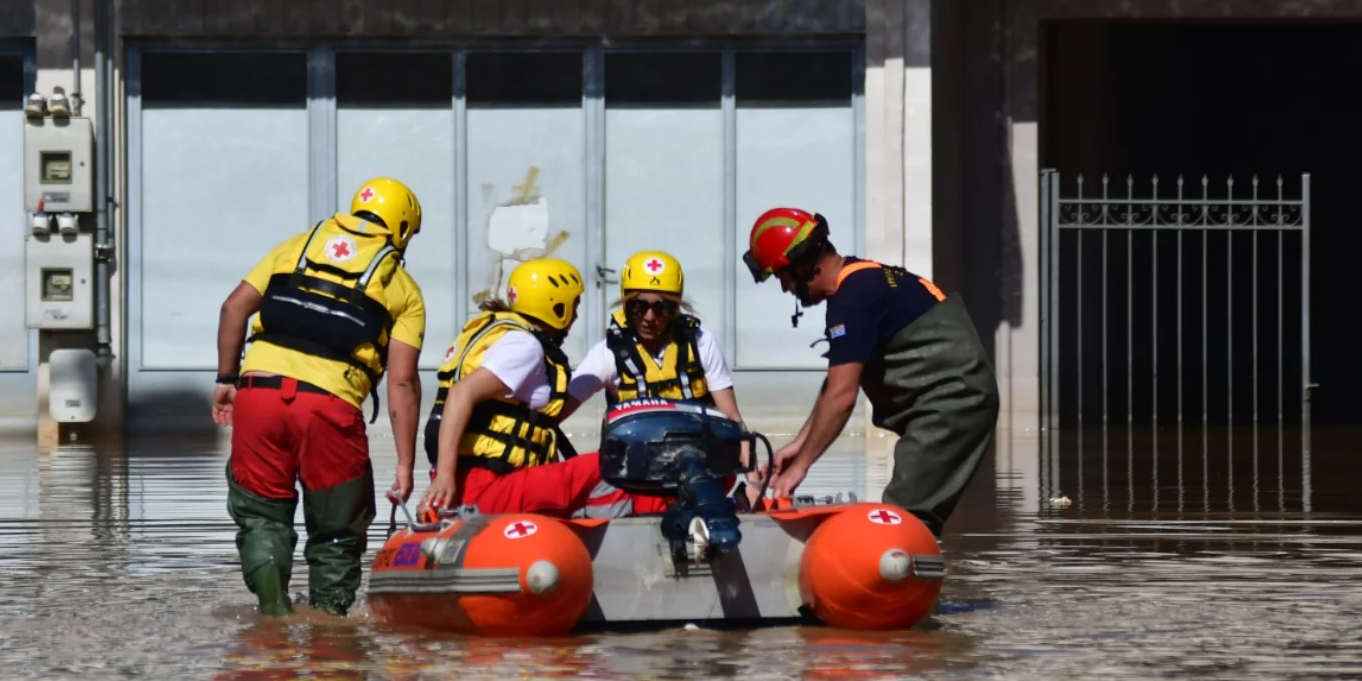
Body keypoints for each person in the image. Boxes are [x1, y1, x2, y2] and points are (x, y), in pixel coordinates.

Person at [213, 178, 426, 618]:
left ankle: (273, 617)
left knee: (262, 517)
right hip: (330, 407)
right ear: (402, 229)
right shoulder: (403, 287)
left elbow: (234, 307)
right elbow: (402, 382)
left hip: (260, 395)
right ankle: (329, 634)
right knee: (336, 531)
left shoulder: (295, 247)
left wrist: (226, 378)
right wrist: (406, 465)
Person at [744, 207, 999, 534]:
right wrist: (800, 444)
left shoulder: (852, 302)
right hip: (953, 401)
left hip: (949, 405)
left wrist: (801, 468)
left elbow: (842, 398)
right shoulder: (863, 279)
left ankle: (896, 570)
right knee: (909, 516)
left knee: (903, 520)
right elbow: (835, 384)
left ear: (803, 264)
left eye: (783, 277)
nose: (784, 289)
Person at [419, 257, 609, 517]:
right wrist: (444, 476)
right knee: (611, 463)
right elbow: (461, 393)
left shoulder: (501, 334)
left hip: (486, 480)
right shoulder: (525, 346)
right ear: (556, 307)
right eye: (574, 305)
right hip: (487, 486)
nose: (575, 316)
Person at [565, 249, 744, 424]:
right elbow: (557, 411)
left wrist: (744, 451)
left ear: (675, 308)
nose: (649, 317)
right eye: (639, 306)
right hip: (635, 453)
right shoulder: (609, 353)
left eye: (662, 307)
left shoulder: (702, 343)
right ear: (626, 304)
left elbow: (732, 418)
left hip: (696, 451)